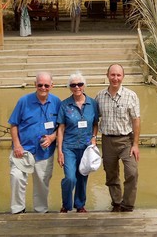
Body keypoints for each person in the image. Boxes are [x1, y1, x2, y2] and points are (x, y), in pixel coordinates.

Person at [8, 71, 61, 214]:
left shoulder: (57, 102)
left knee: (42, 184)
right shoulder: (23, 101)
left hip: (44, 153)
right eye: (40, 85)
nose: (43, 88)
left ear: (52, 85)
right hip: (23, 151)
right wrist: (17, 145)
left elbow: (62, 127)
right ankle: (18, 210)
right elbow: (14, 125)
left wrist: (52, 137)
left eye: (46, 85)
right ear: (35, 85)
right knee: (17, 177)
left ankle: (41, 211)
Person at [95, 64, 141, 212]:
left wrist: (135, 144)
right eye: (112, 75)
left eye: (118, 75)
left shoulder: (131, 95)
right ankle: (116, 202)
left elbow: (136, 120)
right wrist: (93, 138)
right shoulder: (99, 96)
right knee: (111, 174)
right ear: (107, 75)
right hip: (107, 140)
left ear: (123, 77)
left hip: (126, 140)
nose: (115, 78)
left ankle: (127, 204)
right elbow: (94, 120)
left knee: (132, 172)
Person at [57, 72, 99, 213]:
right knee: (70, 178)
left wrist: (94, 137)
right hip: (69, 146)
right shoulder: (65, 105)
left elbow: (95, 123)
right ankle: (66, 205)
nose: (77, 87)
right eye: (73, 85)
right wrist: (60, 152)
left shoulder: (92, 103)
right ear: (70, 87)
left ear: (84, 86)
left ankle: (80, 205)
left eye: (79, 84)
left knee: (82, 177)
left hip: (86, 146)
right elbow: (61, 128)